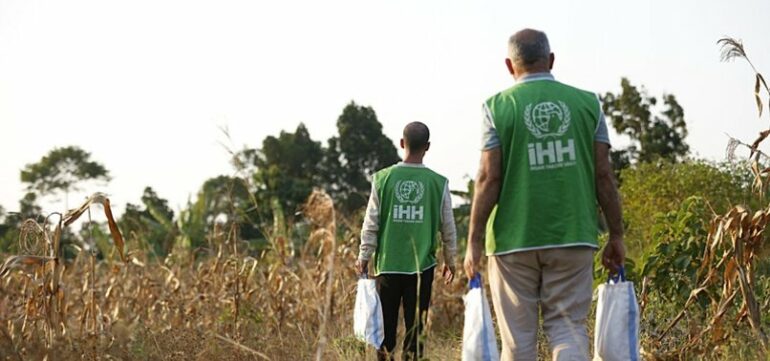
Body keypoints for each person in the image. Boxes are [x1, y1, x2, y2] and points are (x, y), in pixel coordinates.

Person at [463, 28, 625, 360]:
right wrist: (616, 234)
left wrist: (474, 240)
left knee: (518, 340)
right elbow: (604, 175)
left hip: (512, 242)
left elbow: (488, 179)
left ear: (510, 65)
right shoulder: (587, 104)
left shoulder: (496, 107)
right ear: (551, 60)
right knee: (567, 329)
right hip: (573, 235)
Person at [356, 121, 457, 361]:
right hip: (422, 269)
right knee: (415, 331)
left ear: (402, 143)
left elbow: (371, 223)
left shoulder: (383, 179)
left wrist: (363, 256)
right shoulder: (438, 183)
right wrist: (450, 260)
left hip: (387, 266)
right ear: (428, 146)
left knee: (385, 332)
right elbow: (448, 227)